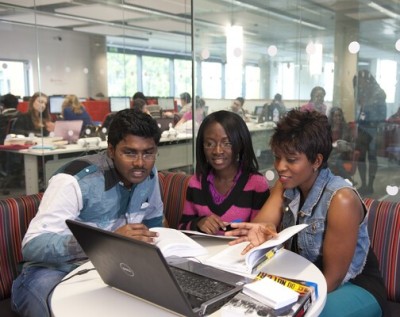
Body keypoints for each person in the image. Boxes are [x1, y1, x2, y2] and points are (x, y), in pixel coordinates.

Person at [226, 109, 388, 317]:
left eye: (291, 159)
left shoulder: (341, 199)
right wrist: (261, 230)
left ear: (316, 161)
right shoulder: (285, 185)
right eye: (277, 157)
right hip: (305, 279)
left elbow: (333, 279)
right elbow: (264, 222)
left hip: (354, 287)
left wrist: (292, 302)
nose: (280, 167)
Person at [11, 109, 164, 317]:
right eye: (129, 152)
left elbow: (154, 223)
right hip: (53, 271)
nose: (140, 163)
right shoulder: (74, 180)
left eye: (148, 153)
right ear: (111, 150)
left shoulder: (149, 175)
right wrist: (107, 242)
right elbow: (32, 246)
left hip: (111, 268)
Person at [178, 110, 270, 234]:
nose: (217, 151)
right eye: (209, 144)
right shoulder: (196, 182)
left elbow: (260, 233)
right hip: (204, 252)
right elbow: (181, 229)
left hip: (240, 252)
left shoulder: (256, 184)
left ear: (241, 143)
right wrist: (198, 223)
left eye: (227, 143)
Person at [354, 70, 387, 195]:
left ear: (367, 80)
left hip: (373, 129)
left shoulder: (378, 93)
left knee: (372, 157)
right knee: (361, 157)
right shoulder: (363, 92)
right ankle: (363, 184)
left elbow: (381, 115)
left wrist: (379, 133)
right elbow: (361, 110)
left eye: (361, 81)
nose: (360, 84)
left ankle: (370, 185)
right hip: (362, 127)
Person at [327, 107, 356, 181]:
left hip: (343, 152)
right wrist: (333, 145)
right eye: (336, 116)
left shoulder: (345, 128)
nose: (338, 118)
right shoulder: (327, 128)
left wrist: (342, 145)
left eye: (339, 115)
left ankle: (346, 180)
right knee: (333, 159)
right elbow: (324, 143)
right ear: (332, 117)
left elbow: (351, 144)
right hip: (330, 151)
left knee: (336, 160)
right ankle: (347, 180)